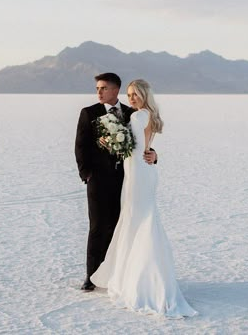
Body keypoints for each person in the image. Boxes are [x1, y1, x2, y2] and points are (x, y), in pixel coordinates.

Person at [91, 79, 197, 317]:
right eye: (129, 95)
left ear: (144, 95)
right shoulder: (146, 115)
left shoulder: (139, 116)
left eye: (136, 94)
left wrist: (109, 140)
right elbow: (139, 146)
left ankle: (141, 281)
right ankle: (143, 275)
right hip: (141, 171)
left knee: (138, 221)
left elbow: (129, 145)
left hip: (138, 174)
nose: (132, 99)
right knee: (139, 220)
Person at [74, 73, 157, 291]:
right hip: (98, 181)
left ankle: (117, 274)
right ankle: (91, 276)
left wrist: (154, 154)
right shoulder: (89, 113)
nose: (99, 92)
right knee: (98, 227)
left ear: (115, 90)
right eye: (97, 88)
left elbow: (142, 141)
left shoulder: (133, 112)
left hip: (128, 179)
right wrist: (87, 175)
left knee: (121, 226)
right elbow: (80, 147)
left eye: (103, 88)